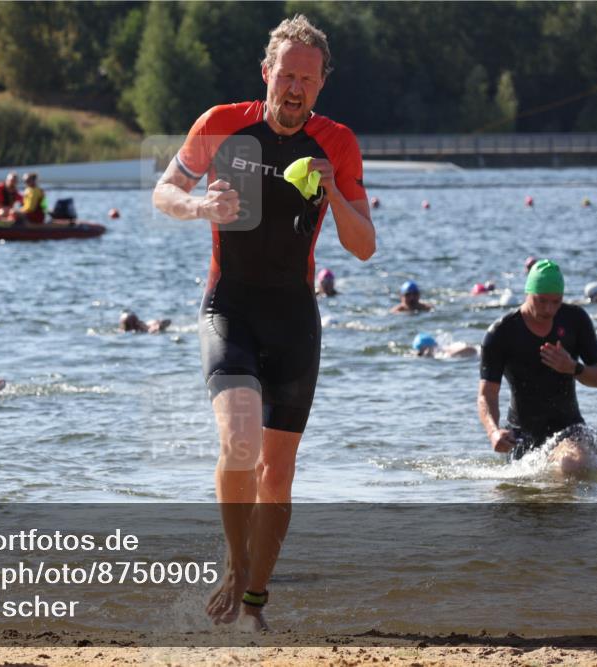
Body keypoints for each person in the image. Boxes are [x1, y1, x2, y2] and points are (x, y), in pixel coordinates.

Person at [151, 15, 374, 632]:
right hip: (230, 307)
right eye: (287, 74)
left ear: (322, 83)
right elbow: (164, 190)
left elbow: (364, 247)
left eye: (308, 77)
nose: (295, 87)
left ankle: (254, 601)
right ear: (266, 73)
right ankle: (235, 562)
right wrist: (199, 205)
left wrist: (333, 193)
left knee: (277, 474)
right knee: (239, 442)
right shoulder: (221, 124)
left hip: (294, 319)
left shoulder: (338, 144)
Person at [477, 259, 597, 477]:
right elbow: (487, 394)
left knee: (573, 464)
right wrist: (493, 432)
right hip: (521, 438)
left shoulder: (575, 320)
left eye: (556, 302)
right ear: (528, 292)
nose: (549, 309)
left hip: (570, 430)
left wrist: (574, 368)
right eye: (541, 301)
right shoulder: (501, 333)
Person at [412, 332, 477, 358]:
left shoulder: (446, 353)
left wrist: (451, 355)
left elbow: (472, 349)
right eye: (419, 350)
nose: (422, 353)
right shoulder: (416, 355)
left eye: (422, 349)